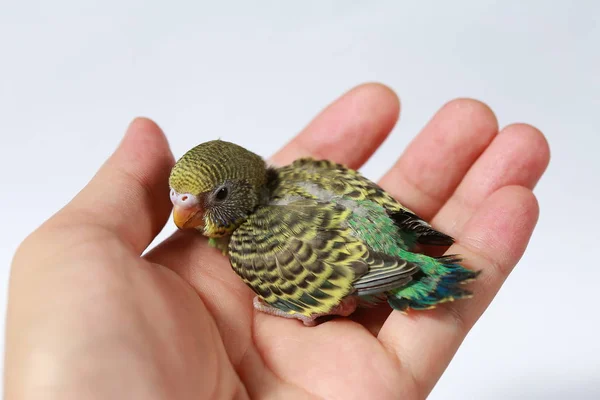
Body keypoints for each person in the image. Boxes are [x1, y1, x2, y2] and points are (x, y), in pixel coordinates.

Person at [4, 83, 550, 399]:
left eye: (210, 197)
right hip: (387, 238)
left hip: (376, 270)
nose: (185, 213)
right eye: (179, 198)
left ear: (240, 187)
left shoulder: (251, 246)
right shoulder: (311, 170)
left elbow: (341, 289)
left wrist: (300, 305)